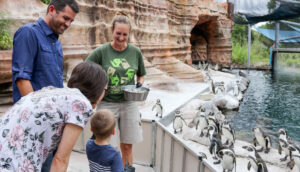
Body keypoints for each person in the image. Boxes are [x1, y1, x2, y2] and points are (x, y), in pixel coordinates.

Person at [0, 62, 109, 172]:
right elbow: (60, 160)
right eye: (105, 89)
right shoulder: (81, 104)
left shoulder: (52, 91)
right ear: (97, 88)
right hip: (13, 165)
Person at [86, 13, 146, 171]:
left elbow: (141, 74)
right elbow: (86, 69)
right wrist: (96, 90)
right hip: (107, 104)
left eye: (125, 34)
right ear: (112, 30)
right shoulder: (101, 52)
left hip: (129, 103)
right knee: (107, 147)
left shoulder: (135, 52)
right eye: (118, 33)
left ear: (129, 33)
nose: (121, 37)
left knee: (127, 146)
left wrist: (139, 85)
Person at [12, 0, 79, 103]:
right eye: (65, 18)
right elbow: (22, 79)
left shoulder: (56, 44)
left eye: (71, 21)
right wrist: (36, 112)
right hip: (33, 114)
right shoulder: (29, 33)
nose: (68, 24)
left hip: (52, 112)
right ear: (51, 10)